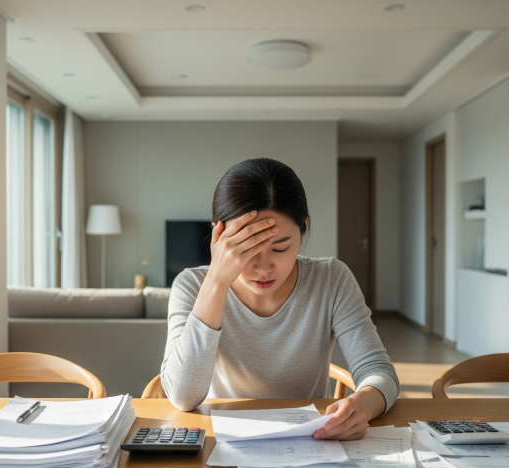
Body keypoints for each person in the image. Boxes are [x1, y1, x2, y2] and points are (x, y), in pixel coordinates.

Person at [161, 158, 399, 440]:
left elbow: (378, 371)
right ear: (218, 235)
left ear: (303, 228)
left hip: (309, 442)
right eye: (246, 249)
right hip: (224, 444)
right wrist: (216, 281)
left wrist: (362, 404)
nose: (263, 267)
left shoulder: (331, 279)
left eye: (280, 248)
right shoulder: (191, 285)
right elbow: (181, 396)